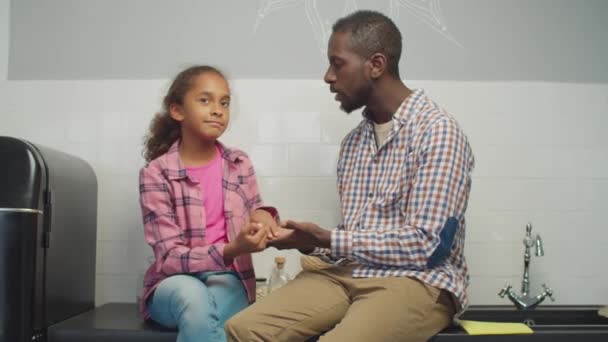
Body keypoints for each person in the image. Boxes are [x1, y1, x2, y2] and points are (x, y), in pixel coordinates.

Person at [225, 10, 475, 342]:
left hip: (417, 281)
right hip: (347, 272)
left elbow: (427, 247)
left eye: (337, 63)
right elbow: (357, 235)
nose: (328, 76)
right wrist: (307, 243)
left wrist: (327, 237)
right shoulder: (354, 143)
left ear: (376, 65)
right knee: (243, 329)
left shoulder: (438, 132)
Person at [139, 65, 280, 342]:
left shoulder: (239, 164)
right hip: (171, 283)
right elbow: (168, 258)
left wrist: (264, 217)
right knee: (195, 299)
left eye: (224, 103)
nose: (217, 110)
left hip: (228, 278)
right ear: (177, 110)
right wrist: (232, 249)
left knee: (209, 309)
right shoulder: (156, 173)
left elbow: (257, 209)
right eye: (205, 100)